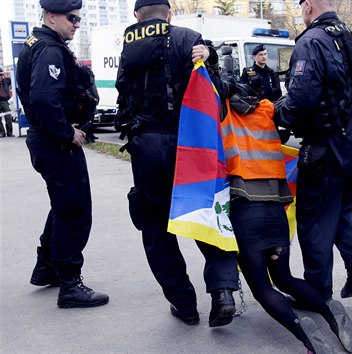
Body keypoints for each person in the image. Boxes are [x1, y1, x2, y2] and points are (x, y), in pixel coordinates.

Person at [115, 0, 239, 327]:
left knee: (155, 228)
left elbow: (122, 100)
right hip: (191, 144)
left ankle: (184, 305)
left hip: (146, 149)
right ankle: (223, 291)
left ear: (137, 17)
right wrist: (210, 60)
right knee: (205, 212)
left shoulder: (128, 47)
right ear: (169, 14)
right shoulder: (188, 38)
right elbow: (217, 90)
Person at [222, 83, 352, 353]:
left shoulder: (224, 113)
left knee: (263, 288)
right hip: (275, 212)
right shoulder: (266, 111)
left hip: (246, 211)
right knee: (284, 278)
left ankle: (303, 332)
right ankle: (328, 309)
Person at [276, 0, 352, 315]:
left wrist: (275, 109)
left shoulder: (311, 42)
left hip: (330, 143)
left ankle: (317, 296)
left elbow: (300, 103)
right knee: (338, 206)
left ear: (307, 6)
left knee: (315, 219)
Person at [16, 0, 109, 308]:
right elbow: (44, 98)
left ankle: (47, 267)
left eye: (79, 18)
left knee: (62, 205)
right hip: (56, 143)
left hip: (45, 140)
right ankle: (70, 284)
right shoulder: (50, 49)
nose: (77, 23)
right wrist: (67, 133)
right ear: (52, 16)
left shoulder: (38, 42)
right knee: (75, 211)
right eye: (72, 18)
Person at [0, 67, 14, 137]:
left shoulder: (6, 80)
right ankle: (2, 132)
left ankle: (9, 132)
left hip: (5, 101)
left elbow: (13, 80)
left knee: (8, 117)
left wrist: (5, 76)